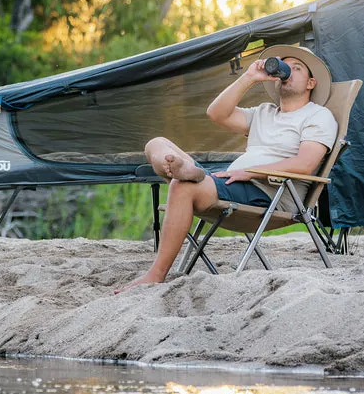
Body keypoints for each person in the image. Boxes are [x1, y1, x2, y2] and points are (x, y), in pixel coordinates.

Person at [116, 45, 337, 293]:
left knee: (181, 186)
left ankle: (156, 274)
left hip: (266, 193)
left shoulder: (319, 116)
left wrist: (250, 172)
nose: (289, 71)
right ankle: (188, 171)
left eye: (297, 68)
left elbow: (305, 165)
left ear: (311, 83)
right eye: (285, 66)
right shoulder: (264, 112)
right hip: (232, 183)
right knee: (155, 143)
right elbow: (216, 113)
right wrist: (249, 77)